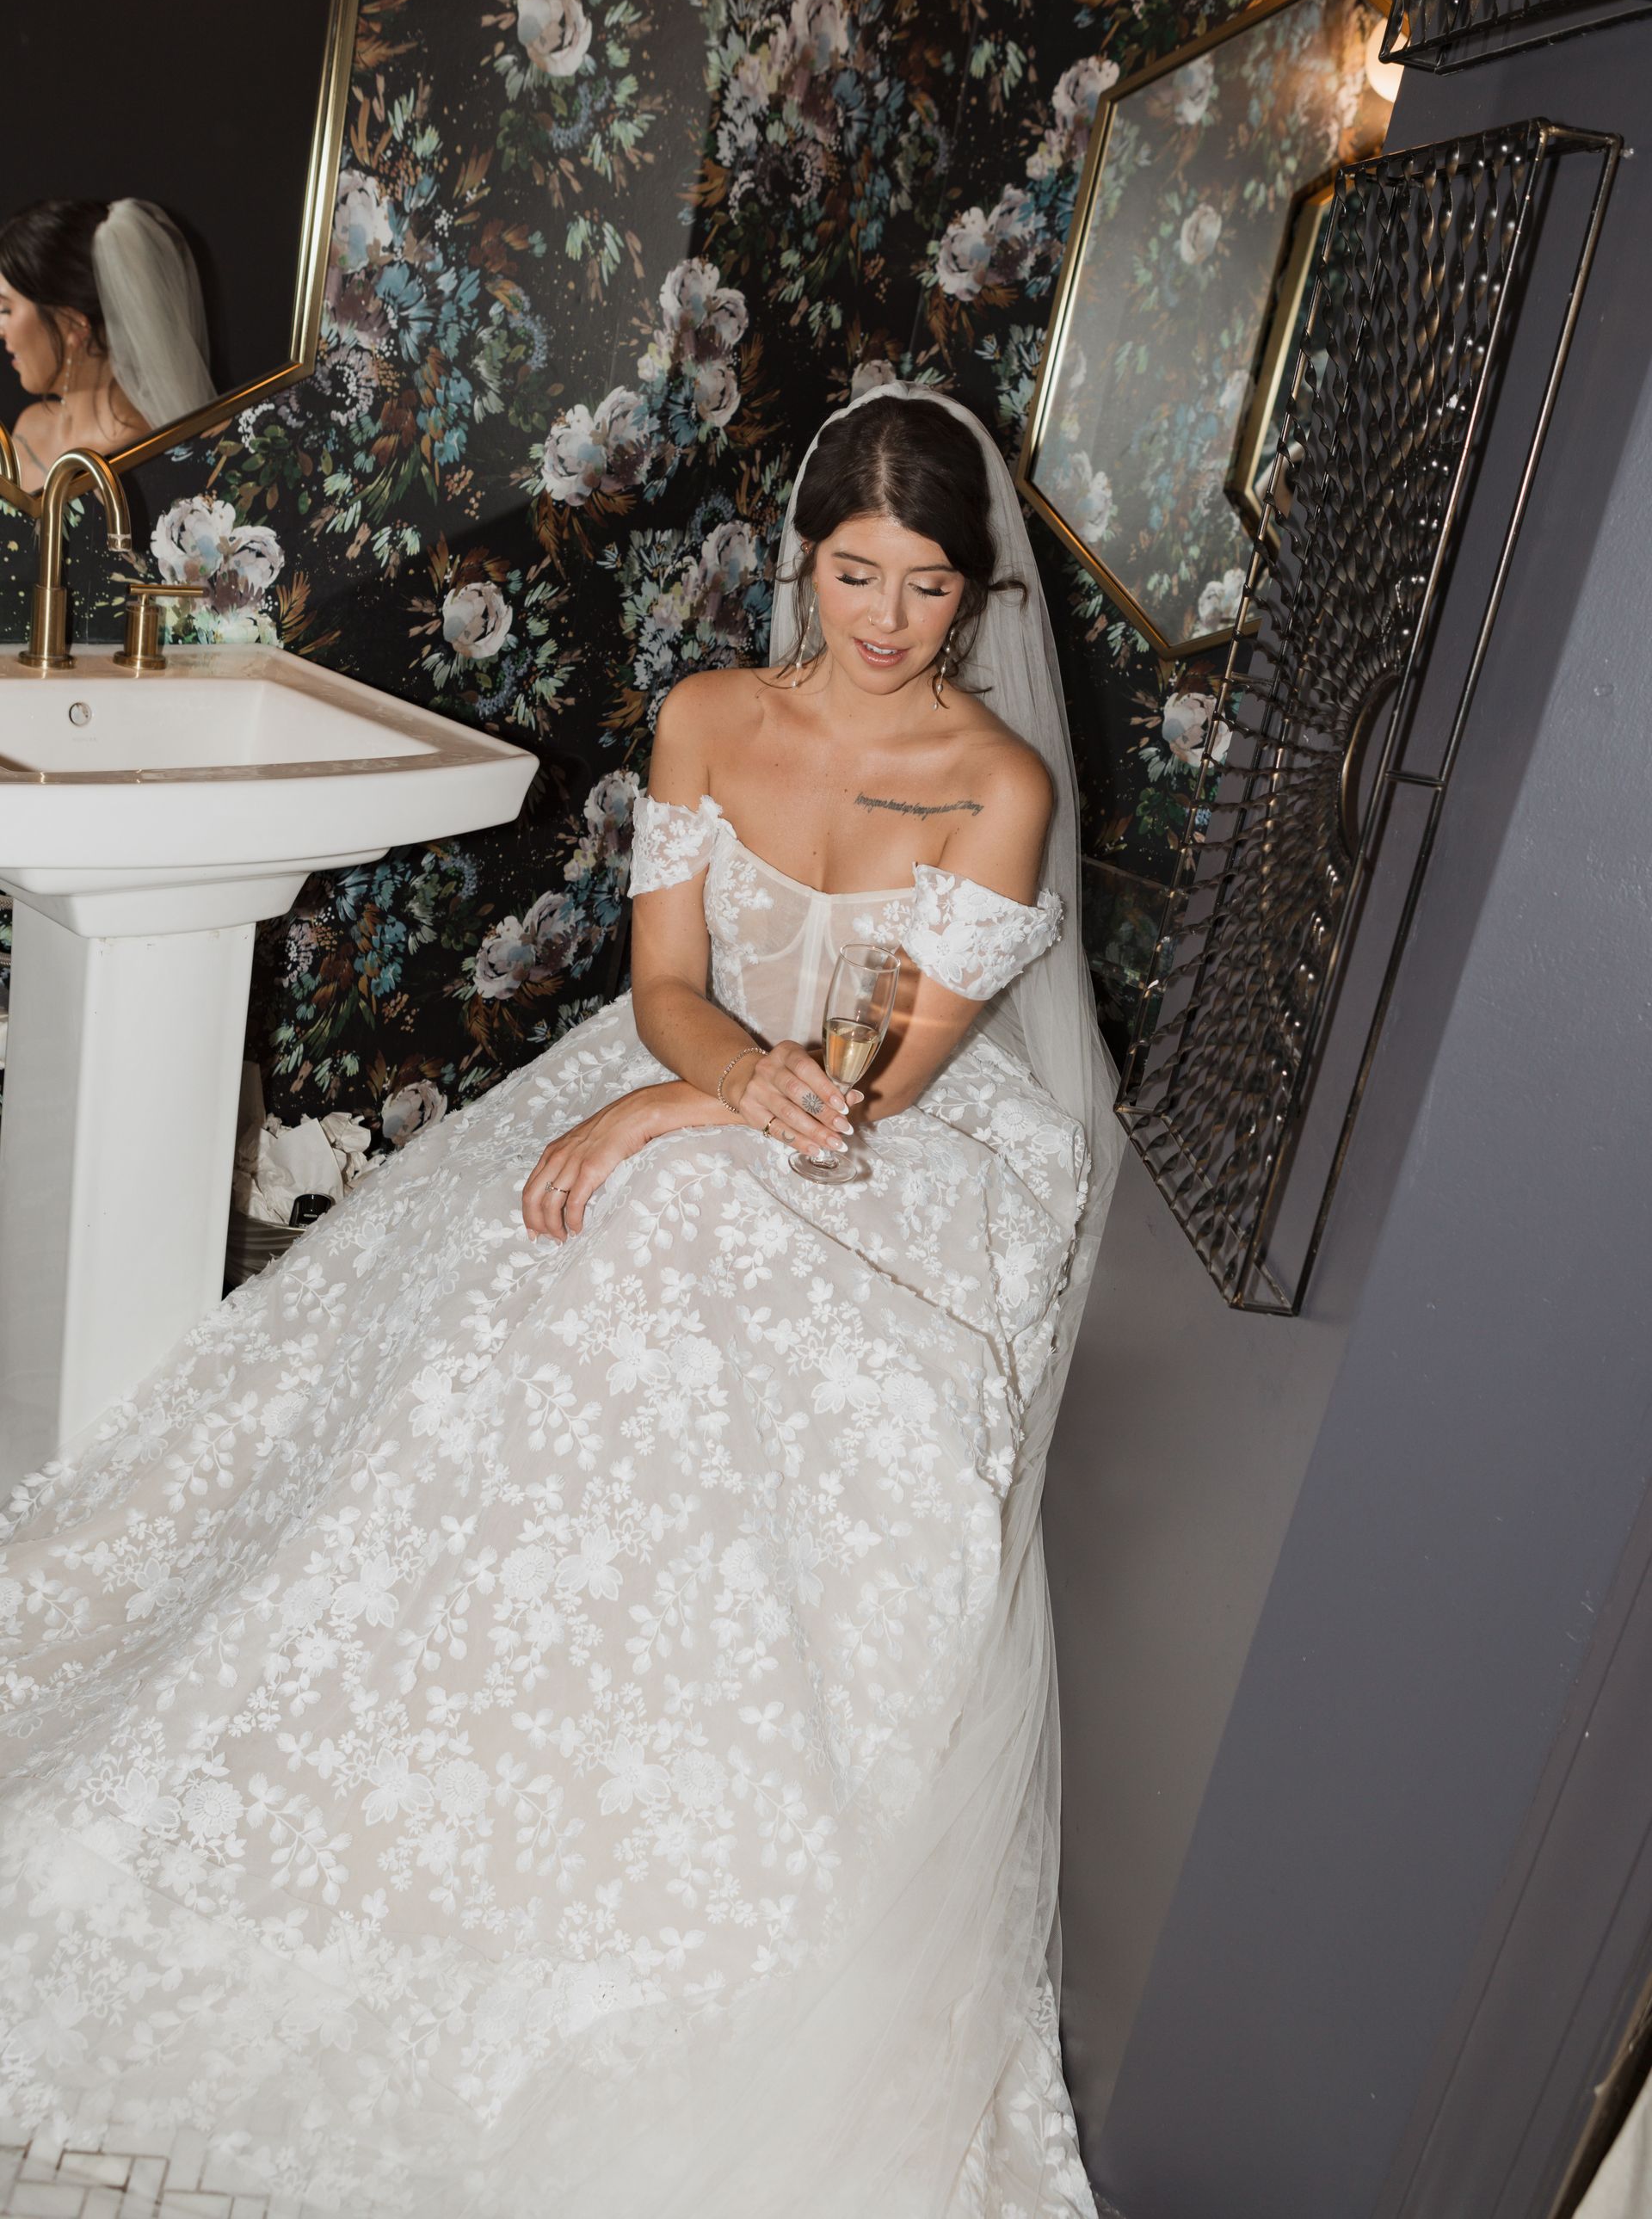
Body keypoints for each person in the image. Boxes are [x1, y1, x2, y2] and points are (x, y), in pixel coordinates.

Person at [0, 386, 1124, 2218]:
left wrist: (705, 1109)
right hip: (700, 1062)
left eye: (926, 584)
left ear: (973, 591)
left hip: (890, 1133)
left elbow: (894, 1064)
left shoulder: (1001, 782)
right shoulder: (707, 716)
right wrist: (688, 1080)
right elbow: (669, 977)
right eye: (855, 571)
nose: (885, 617)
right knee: (568, 1247)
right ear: (806, 558)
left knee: (681, 1235)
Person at [0, 196, 215, 490]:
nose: (1, 330)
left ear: (73, 323)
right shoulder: (30, 426)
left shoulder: (139, 460)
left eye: (6, 310)